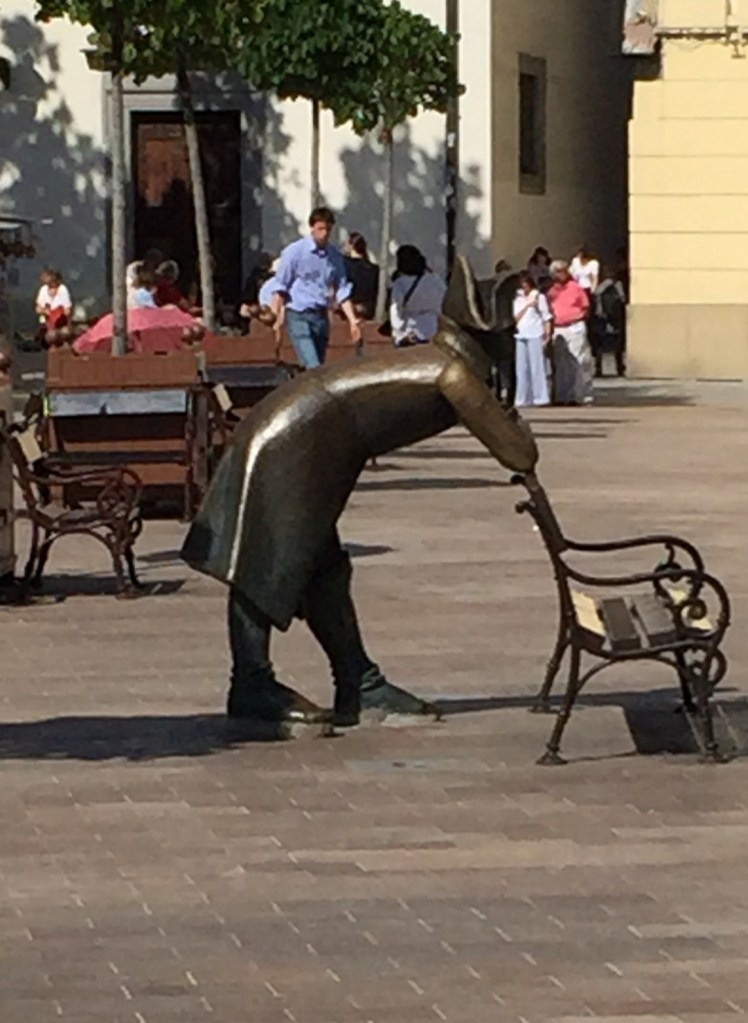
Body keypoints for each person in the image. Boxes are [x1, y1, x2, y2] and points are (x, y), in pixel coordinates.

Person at [181, 257, 538, 728]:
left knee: (322, 568)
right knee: (266, 561)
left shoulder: (444, 361)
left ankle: (357, 681)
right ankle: (252, 683)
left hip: (311, 430)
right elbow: (520, 454)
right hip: (301, 434)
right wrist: (508, 414)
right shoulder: (453, 374)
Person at [270, 207, 360, 369]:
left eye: (328, 229)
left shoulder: (334, 256)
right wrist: (275, 318)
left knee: (317, 368)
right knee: (314, 366)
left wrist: (353, 321)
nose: (324, 233)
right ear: (312, 228)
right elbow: (281, 286)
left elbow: (342, 288)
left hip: (321, 316)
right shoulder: (295, 252)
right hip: (299, 314)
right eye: (320, 229)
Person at [547, 260, 593, 406]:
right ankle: (561, 396)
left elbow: (586, 308)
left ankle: (580, 396)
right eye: (556, 272)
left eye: (561, 271)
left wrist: (578, 317)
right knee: (560, 364)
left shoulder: (576, 288)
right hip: (558, 328)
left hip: (574, 327)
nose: (559, 274)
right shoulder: (551, 291)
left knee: (579, 362)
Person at [389, 245, 446, 347]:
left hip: (411, 332)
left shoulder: (400, 283)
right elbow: (444, 300)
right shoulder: (436, 280)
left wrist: (398, 334)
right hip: (434, 329)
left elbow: (396, 309)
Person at [513, 272, 552, 407]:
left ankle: (540, 397)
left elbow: (546, 317)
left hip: (535, 333)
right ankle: (522, 397)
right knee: (521, 368)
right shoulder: (517, 299)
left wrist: (547, 333)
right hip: (520, 333)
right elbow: (515, 317)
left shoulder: (539, 297)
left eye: (527, 286)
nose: (525, 289)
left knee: (537, 366)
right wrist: (527, 305)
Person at [592, 265, 627, 377]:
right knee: (615, 344)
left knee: (601, 344)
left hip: (605, 317)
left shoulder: (601, 287)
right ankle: (618, 368)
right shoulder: (616, 285)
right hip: (613, 317)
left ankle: (600, 368)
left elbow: (595, 295)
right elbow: (622, 298)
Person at [343, 232, 380, 320]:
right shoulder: (374, 269)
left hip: (347, 310)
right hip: (368, 310)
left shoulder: (343, 265)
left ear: (350, 245)